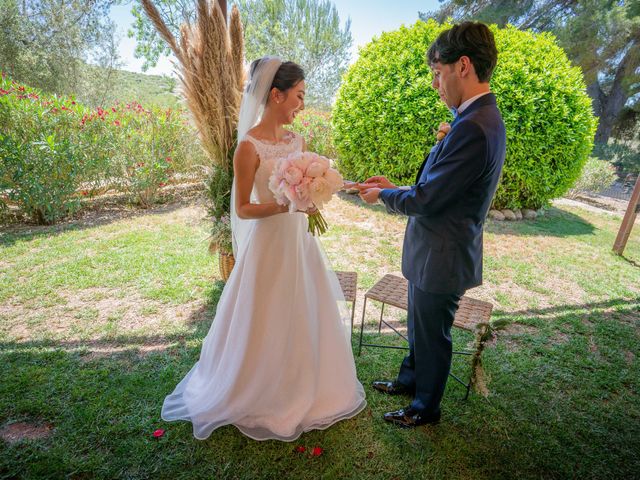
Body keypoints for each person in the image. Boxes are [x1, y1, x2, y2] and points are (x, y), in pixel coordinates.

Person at [161, 57, 366, 441]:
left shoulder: (297, 142)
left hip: (298, 243)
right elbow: (242, 208)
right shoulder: (248, 147)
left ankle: (305, 382)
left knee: (303, 309)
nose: (302, 104)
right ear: (276, 94)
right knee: (266, 314)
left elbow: (312, 190)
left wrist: (316, 193)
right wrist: (286, 203)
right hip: (269, 247)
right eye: (299, 96)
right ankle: (256, 387)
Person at [359, 22, 506, 427]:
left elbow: (426, 199)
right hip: (437, 249)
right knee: (419, 326)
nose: (436, 85)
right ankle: (409, 381)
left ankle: (425, 408)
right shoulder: (476, 119)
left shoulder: (474, 127)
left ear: (462, 66)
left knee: (432, 335)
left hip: (443, 254)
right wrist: (395, 186)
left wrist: (383, 197)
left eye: (437, 74)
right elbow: (438, 186)